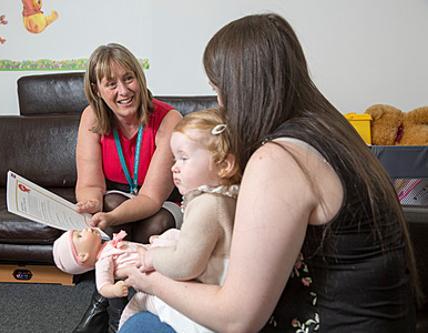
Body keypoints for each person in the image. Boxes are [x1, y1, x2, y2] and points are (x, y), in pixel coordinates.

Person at [121, 13, 420, 332]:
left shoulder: (278, 160)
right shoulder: (330, 130)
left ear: (242, 88)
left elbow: (237, 319)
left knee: (142, 324)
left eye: (218, 89)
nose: (220, 102)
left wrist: (148, 280)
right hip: (387, 319)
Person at [74, 43, 182, 333]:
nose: (123, 91)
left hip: (163, 204)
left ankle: (104, 305)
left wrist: (109, 219)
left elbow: (151, 197)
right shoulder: (91, 118)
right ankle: (118, 309)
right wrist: (89, 205)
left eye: (129, 78)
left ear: (140, 78)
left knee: (152, 222)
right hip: (117, 197)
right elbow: (90, 185)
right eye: (111, 84)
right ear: (97, 90)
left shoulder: (169, 119)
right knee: (109, 201)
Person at [119, 108, 241, 332]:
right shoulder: (227, 197)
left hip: (205, 314)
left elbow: (186, 265)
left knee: (144, 302)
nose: (174, 167)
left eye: (184, 158)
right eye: (175, 158)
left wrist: (152, 257)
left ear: (224, 165)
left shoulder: (206, 205)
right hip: (219, 292)